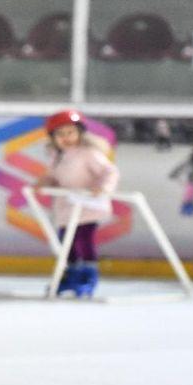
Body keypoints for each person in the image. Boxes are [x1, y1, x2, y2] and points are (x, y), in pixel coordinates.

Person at [35, 109, 120, 298]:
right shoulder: (57, 157)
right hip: (67, 208)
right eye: (60, 134)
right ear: (53, 137)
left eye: (70, 132)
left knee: (83, 239)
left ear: (80, 133)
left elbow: (109, 171)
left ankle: (88, 277)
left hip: (88, 206)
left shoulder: (88, 153)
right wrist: (44, 183)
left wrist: (104, 188)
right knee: (65, 242)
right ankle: (72, 275)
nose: (66, 138)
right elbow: (53, 176)